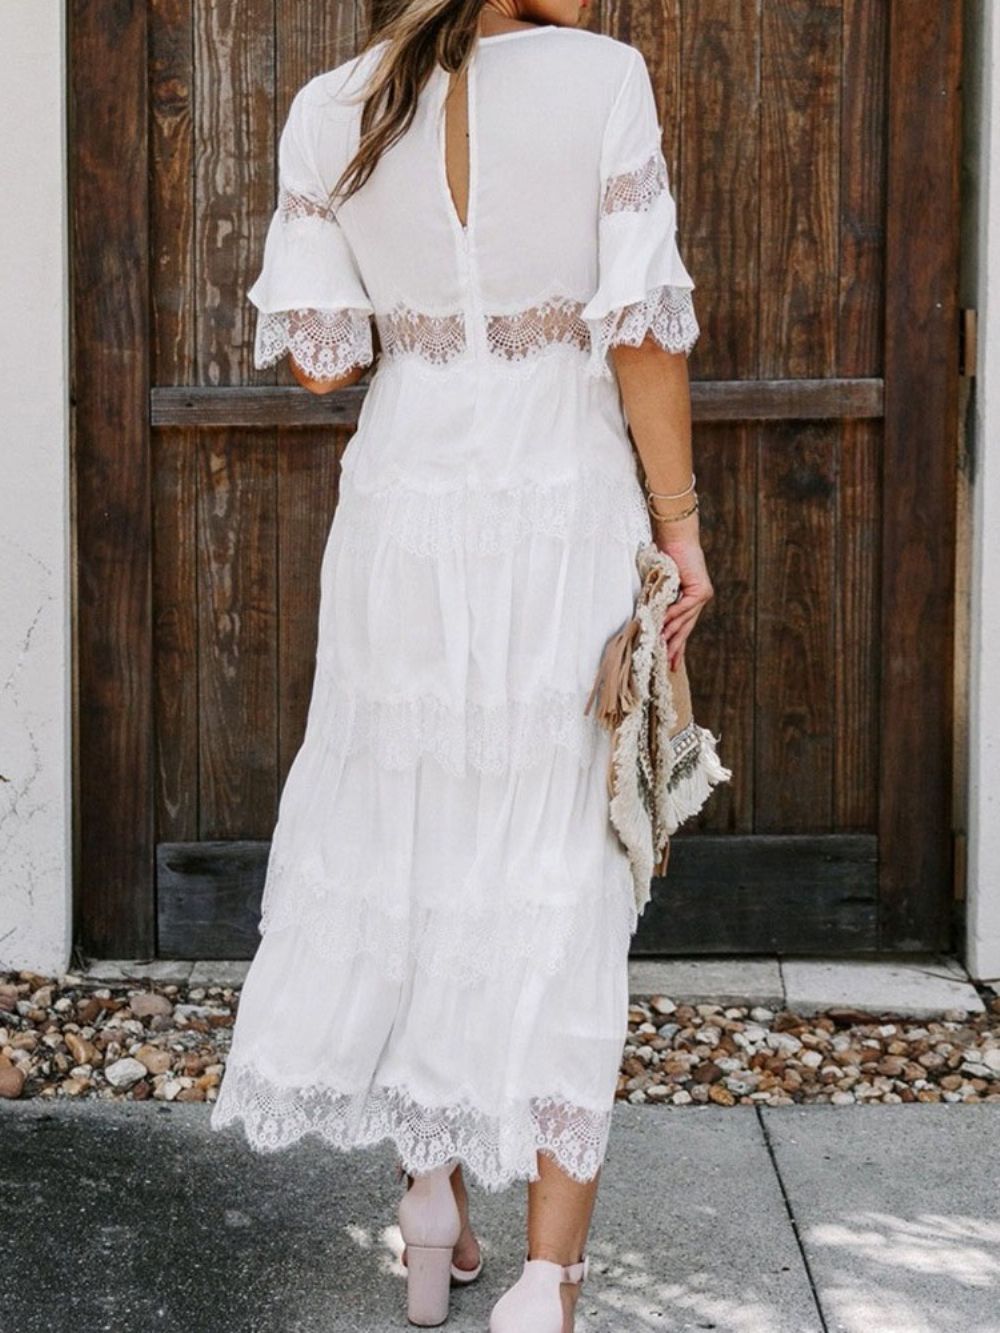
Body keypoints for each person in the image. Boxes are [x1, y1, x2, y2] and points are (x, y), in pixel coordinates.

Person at [210, 0, 719, 1327]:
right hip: (559, 512)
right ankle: (549, 1280)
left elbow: (326, 360)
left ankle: (431, 1212)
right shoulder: (604, 81)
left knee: (412, 843)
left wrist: (411, 265)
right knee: (559, 868)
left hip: (407, 521)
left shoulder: (333, 105)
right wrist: (681, 531)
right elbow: (641, 332)